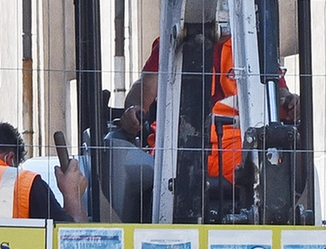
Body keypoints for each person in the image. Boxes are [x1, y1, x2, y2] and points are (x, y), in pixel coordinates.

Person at [118, 34, 298, 184]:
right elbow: (145, 86)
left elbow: (278, 91)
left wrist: (290, 102)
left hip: (240, 146)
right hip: (176, 146)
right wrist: (135, 108)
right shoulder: (172, 42)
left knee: (269, 170)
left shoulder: (255, 46)